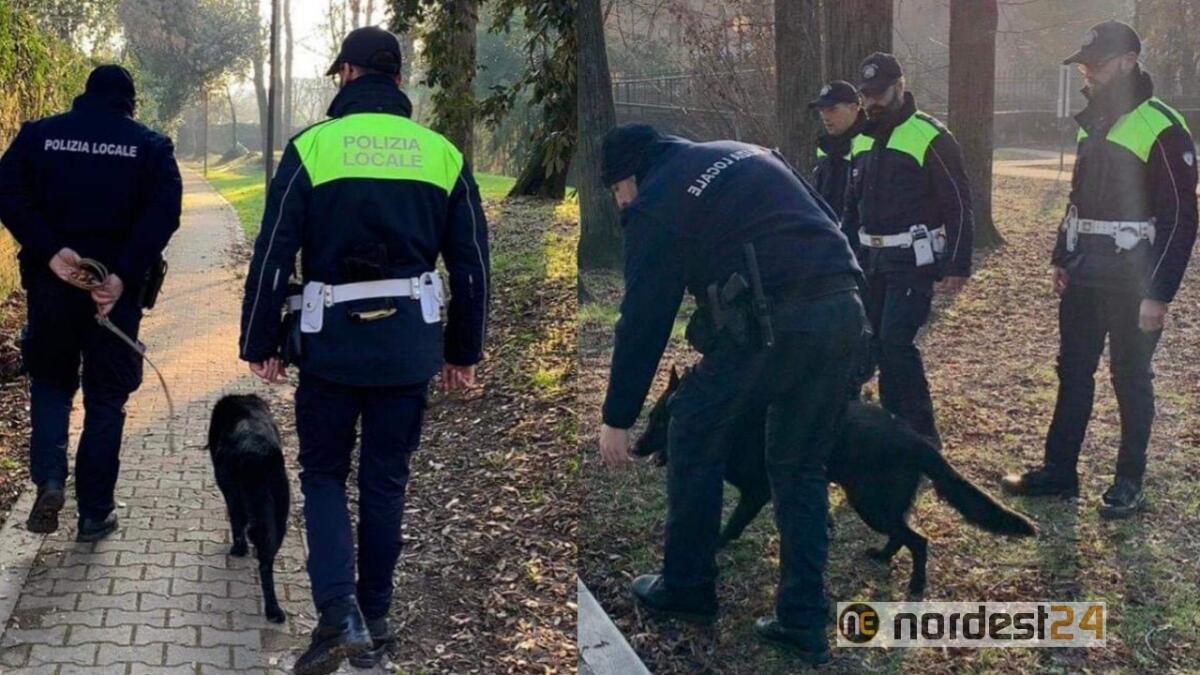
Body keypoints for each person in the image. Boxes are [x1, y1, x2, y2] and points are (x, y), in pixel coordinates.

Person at [237, 27, 490, 674]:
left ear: (346, 74)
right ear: (399, 81)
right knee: (385, 480)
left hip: (331, 345)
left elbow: (273, 250)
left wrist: (259, 339)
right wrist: (464, 350)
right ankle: (375, 620)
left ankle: (336, 612)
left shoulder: (312, 147)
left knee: (323, 474)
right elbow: (470, 266)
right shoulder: (441, 154)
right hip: (407, 349)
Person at [596, 123, 866, 664]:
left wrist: (618, 415)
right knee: (800, 465)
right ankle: (802, 619)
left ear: (626, 178)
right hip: (846, 312)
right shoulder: (749, 153)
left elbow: (645, 317)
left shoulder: (656, 202)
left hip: (772, 323)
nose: (620, 204)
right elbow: (828, 223)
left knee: (692, 426)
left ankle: (687, 586)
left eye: (615, 193)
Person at [1001, 21, 1197, 519]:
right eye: (1085, 63)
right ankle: (1059, 472)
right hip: (1085, 274)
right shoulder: (1094, 122)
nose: (1089, 71)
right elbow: (1076, 200)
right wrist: (1063, 258)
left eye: (1099, 63)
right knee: (1073, 372)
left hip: (1135, 279)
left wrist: (1160, 293)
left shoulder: (1162, 125)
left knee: (1130, 377)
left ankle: (1129, 481)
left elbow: (1181, 218)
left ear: (1130, 61)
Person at [0, 65, 181, 542]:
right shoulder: (149, 146)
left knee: (52, 384)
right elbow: (165, 214)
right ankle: (95, 513)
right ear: (130, 104)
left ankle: (51, 481)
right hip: (111, 299)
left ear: (85, 95)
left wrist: (49, 250)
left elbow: (8, 191)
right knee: (106, 399)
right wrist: (121, 276)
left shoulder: (40, 136)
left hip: (52, 289)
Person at [843, 52, 974, 447]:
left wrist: (958, 263)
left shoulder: (930, 136)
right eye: (866, 95)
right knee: (876, 345)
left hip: (911, 261)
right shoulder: (861, 139)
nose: (872, 102)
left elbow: (959, 204)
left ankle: (922, 435)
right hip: (871, 261)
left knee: (896, 344)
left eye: (879, 93)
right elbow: (853, 207)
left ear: (900, 87)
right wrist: (844, 255)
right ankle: (892, 431)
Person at [810, 80, 871, 229]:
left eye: (832, 109)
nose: (825, 116)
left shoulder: (870, 143)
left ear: (854, 108)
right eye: (821, 110)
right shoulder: (825, 147)